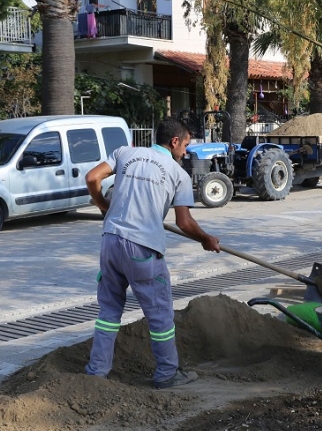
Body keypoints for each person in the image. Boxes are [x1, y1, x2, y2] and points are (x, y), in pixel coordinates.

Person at [84, 117, 220, 388]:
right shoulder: (178, 173)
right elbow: (184, 222)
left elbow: (92, 177)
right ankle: (167, 373)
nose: (185, 152)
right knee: (160, 314)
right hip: (143, 249)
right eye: (185, 146)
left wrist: (103, 204)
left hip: (110, 242)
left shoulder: (125, 153)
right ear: (174, 142)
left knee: (109, 311)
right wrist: (205, 239)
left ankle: (96, 373)